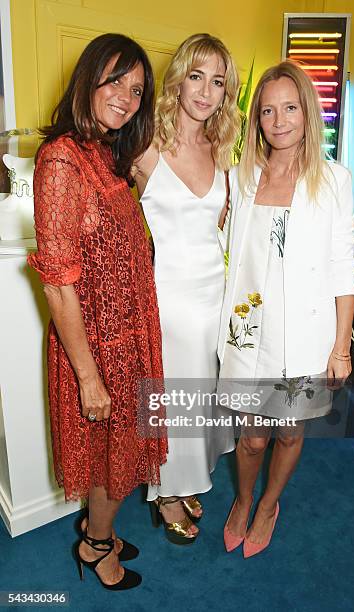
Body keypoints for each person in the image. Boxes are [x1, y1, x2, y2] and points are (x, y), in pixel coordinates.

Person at [28, 33, 167, 589]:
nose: (126, 97)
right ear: (88, 77)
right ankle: (95, 546)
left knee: (122, 454)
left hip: (128, 336)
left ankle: (96, 524)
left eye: (136, 89)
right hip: (97, 348)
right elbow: (59, 286)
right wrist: (88, 377)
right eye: (116, 80)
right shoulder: (62, 160)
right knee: (115, 458)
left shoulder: (107, 153)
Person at [218, 60, 354, 557]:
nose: (279, 120)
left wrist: (341, 347)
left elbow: (344, 264)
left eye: (290, 108)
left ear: (307, 113)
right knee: (252, 438)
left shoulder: (333, 179)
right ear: (257, 118)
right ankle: (242, 498)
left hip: (304, 333)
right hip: (249, 331)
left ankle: (269, 504)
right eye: (268, 110)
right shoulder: (242, 175)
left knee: (289, 431)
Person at [134, 33, 240, 543]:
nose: (205, 91)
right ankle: (167, 492)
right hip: (168, 296)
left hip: (213, 293)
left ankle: (187, 475)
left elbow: (220, 225)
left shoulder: (221, 149)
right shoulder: (144, 144)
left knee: (203, 395)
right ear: (178, 78)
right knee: (172, 398)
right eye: (196, 76)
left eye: (217, 81)